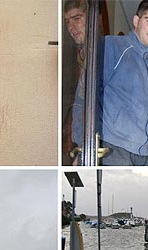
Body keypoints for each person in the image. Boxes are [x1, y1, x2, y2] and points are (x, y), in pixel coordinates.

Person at [99, 1, 148, 166]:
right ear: (136, 21)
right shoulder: (112, 45)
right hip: (114, 149)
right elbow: (86, 95)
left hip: (145, 155)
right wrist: (81, 147)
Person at [63, 0, 88, 164]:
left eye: (77, 18)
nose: (72, 28)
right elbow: (79, 98)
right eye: (67, 22)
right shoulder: (81, 53)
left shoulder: (100, 52)